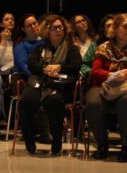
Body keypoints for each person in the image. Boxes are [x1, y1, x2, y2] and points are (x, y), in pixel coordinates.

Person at [85, 13, 127, 162]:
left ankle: (126, 148)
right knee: (93, 103)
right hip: (103, 84)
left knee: (126, 102)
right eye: (125, 26)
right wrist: (112, 74)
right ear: (115, 28)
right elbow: (96, 71)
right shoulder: (104, 48)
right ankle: (102, 145)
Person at [18, 15, 82, 156]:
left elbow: (75, 66)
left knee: (54, 101)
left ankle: (56, 143)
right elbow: (32, 64)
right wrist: (45, 69)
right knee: (26, 101)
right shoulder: (40, 47)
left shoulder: (71, 49)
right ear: (48, 31)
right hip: (40, 82)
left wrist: (59, 67)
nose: (58, 30)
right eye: (54, 28)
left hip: (61, 86)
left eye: (61, 27)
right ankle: (29, 141)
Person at [13, 14, 43, 79]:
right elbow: (24, 67)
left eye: (34, 23)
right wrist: (40, 79)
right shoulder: (20, 45)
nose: (33, 26)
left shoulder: (44, 41)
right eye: (29, 25)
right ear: (23, 29)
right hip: (26, 78)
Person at [0, 12, 17, 76]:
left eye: (12, 19)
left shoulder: (16, 39)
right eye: (7, 19)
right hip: (1, 75)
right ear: (1, 24)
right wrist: (4, 40)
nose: (10, 21)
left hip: (15, 73)